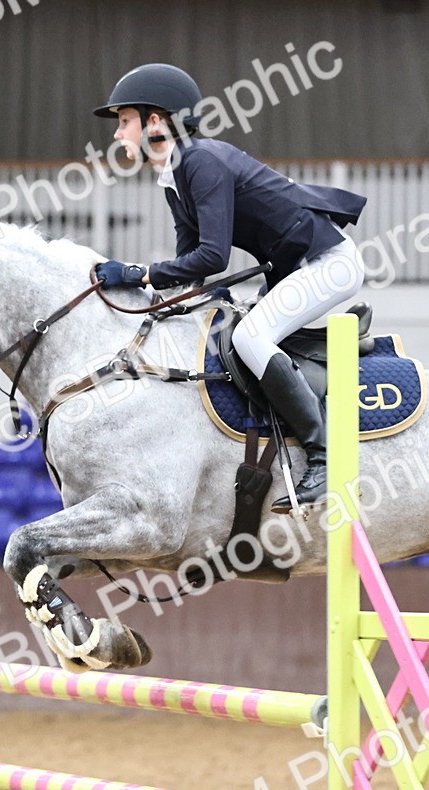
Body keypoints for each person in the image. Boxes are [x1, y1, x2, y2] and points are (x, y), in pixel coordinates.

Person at [93, 63, 367, 511]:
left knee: (249, 336)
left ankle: (324, 456)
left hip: (328, 264)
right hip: (297, 267)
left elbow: (213, 258)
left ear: (156, 122)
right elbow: (191, 270)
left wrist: (137, 273)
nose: (118, 134)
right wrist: (154, 303)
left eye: (125, 121)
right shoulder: (174, 176)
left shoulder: (201, 160)